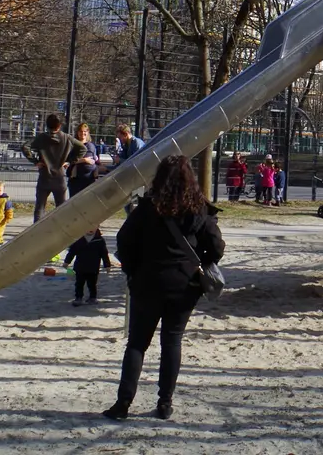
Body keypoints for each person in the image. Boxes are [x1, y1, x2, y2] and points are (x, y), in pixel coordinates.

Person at [105, 154, 224, 421]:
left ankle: (123, 403)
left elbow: (123, 242)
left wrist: (132, 271)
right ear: (190, 178)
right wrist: (199, 261)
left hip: (147, 280)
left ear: (158, 178)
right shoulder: (198, 208)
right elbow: (217, 246)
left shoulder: (147, 207)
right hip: (184, 283)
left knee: (137, 343)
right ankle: (165, 403)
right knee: (172, 341)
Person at [22, 114, 84, 222]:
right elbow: (83, 148)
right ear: (59, 126)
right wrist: (70, 161)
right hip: (60, 177)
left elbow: (25, 147)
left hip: (44, 176)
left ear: (47, 125)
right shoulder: (66, 138)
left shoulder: (41, 138)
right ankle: (60, 232)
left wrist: (35, 161)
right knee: (61, 208)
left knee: (40, 208)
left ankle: (36, 232)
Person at [67, 226, 111, 306]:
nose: (91, 228)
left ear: (97, 227)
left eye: (94, 226)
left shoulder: (99, 240)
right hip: (80, 266)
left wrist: (107, 265)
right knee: (79, 283)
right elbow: (72, 252)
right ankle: (78, 298)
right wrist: (67, 262)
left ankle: (92, 298)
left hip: (93, 267)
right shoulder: (79, 239)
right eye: (88, 226)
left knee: (92, 284)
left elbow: (104, 254)